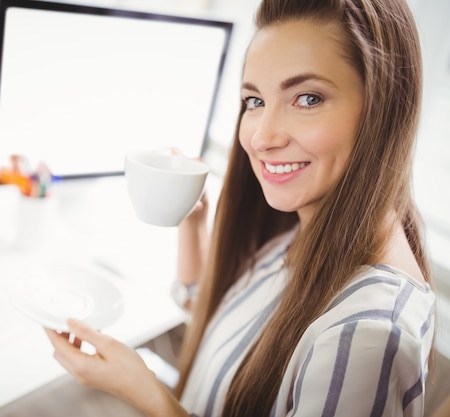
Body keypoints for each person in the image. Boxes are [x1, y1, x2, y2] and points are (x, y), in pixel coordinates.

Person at [45, 0, 436, 415]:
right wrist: (193, 223)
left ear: (383, 107)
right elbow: (228, 323)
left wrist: (146, 392)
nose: (261, 137)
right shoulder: (308, 230)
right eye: (254, 101)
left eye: (307, 98)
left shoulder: (367, 336)